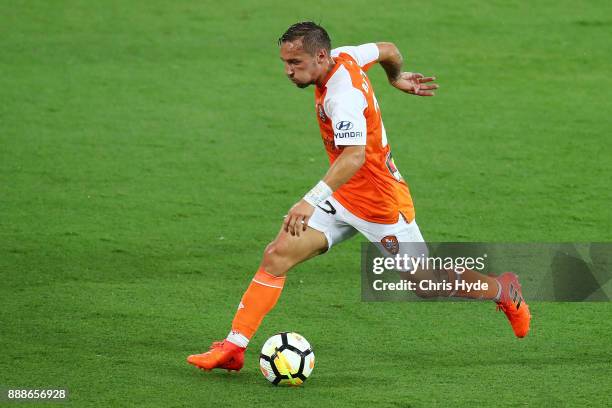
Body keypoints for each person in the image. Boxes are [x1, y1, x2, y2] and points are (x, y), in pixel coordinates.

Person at [187, 21, 531, 372]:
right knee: (277, 254)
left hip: (380, 203)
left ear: (320, 56)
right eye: (285, 63)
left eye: (296, 63)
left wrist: (309, 200)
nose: (288, 72)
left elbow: (354, 155)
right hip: (342, 194)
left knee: (426, 283)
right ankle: (234, 347)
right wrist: (395, 77)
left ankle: (502, 289)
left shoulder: (342, 96)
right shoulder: (345, 55)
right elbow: (388, 49)